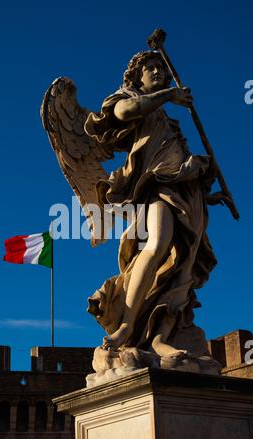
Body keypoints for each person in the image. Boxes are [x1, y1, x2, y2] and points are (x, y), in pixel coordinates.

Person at [85, 50, 220, 359]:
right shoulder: (129, 99)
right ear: (137, 75)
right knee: (156, 244)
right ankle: (126, 326)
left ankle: (160, 336)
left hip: (187, 193)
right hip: (155, 185)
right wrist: (168, 94)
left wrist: (205, 181)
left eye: (161, 67)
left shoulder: (168, 121)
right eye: (150, 68)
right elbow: (124, 112)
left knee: (180, 265)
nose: (158, 72)